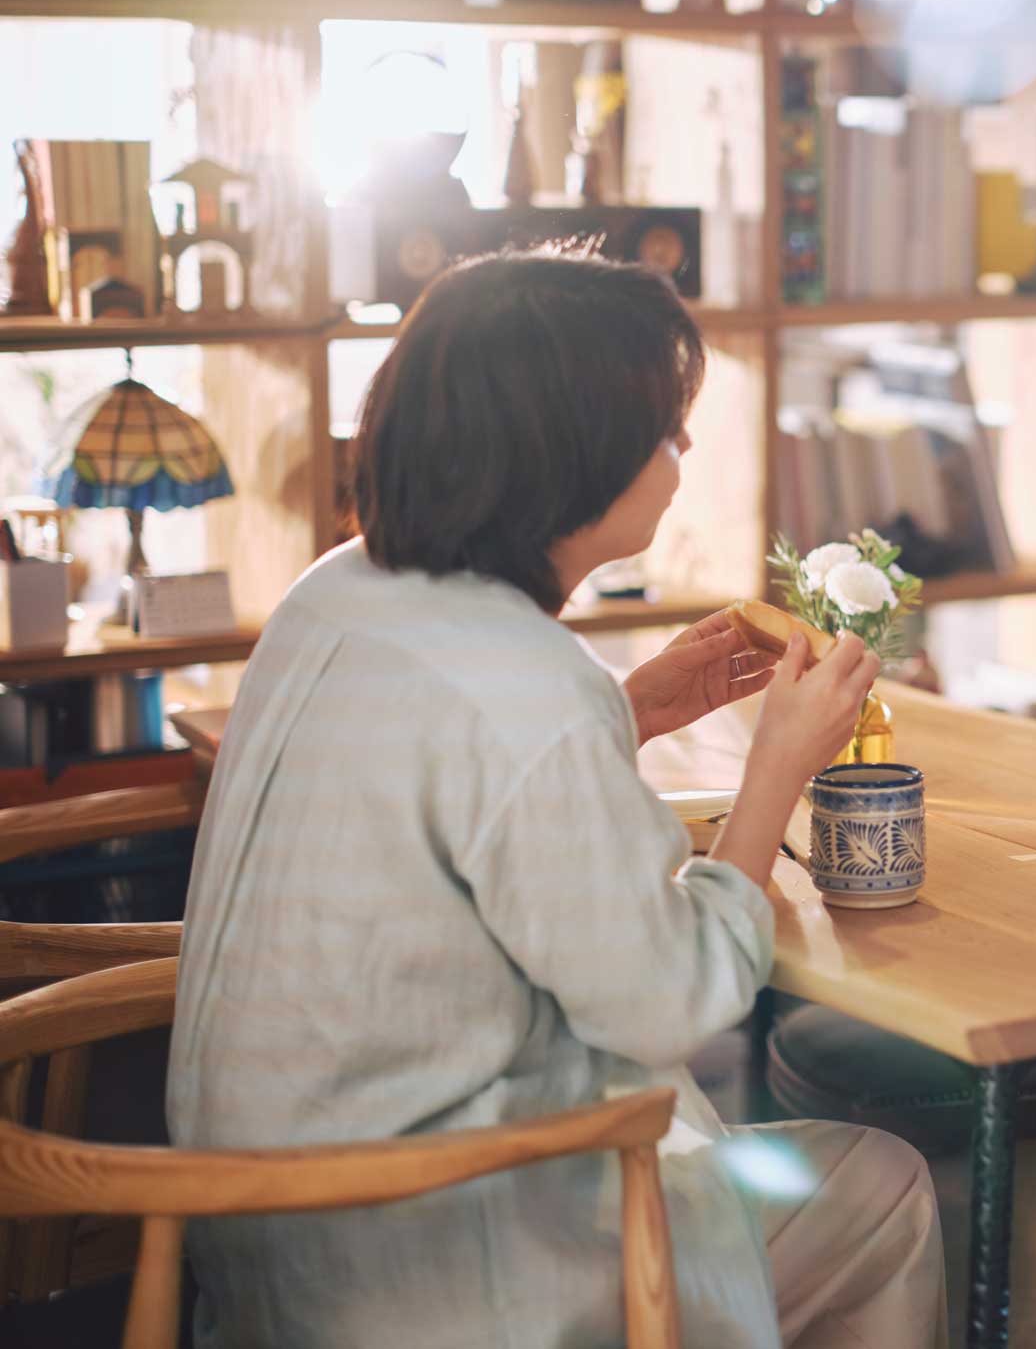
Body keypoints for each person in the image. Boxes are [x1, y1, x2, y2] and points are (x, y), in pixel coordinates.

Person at [168, 251, 947, 1349]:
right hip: (429, 1259)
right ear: (580, 453)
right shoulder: (529, 679)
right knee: (884, 1186)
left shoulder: (337, 589)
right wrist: (778, 768)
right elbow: (670, 1000)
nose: (683, 456)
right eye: (667, 430)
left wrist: (634, 710)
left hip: (259, 1228)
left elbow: (449, 785)